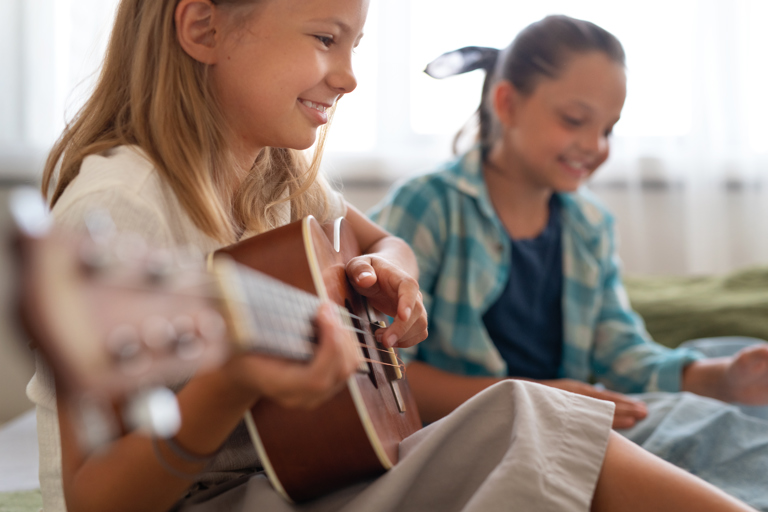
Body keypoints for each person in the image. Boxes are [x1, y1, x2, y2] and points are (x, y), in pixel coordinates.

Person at [27, 2, 756, 512]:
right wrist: (226, 386)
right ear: (202, 26)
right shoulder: (116, 210)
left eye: (354, 46)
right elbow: (94, 498)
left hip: (302, 475)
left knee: (537, 429)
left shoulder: (281, 176)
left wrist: (398, 271)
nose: (347, 76)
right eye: (324, 38)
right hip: (220, 501)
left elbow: (381, 243)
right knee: (523, 416)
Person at [371, 13, 768, 511]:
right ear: (507, 103)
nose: (596, 146)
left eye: (609, 129)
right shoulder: (428, 206)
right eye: (575, 121)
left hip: (577, 418)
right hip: (483, 437)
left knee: (726, 389)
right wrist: (537, 395)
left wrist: (720, 378)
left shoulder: (589, 225)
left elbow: (622, 353)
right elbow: (385, 371)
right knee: (703, 432)